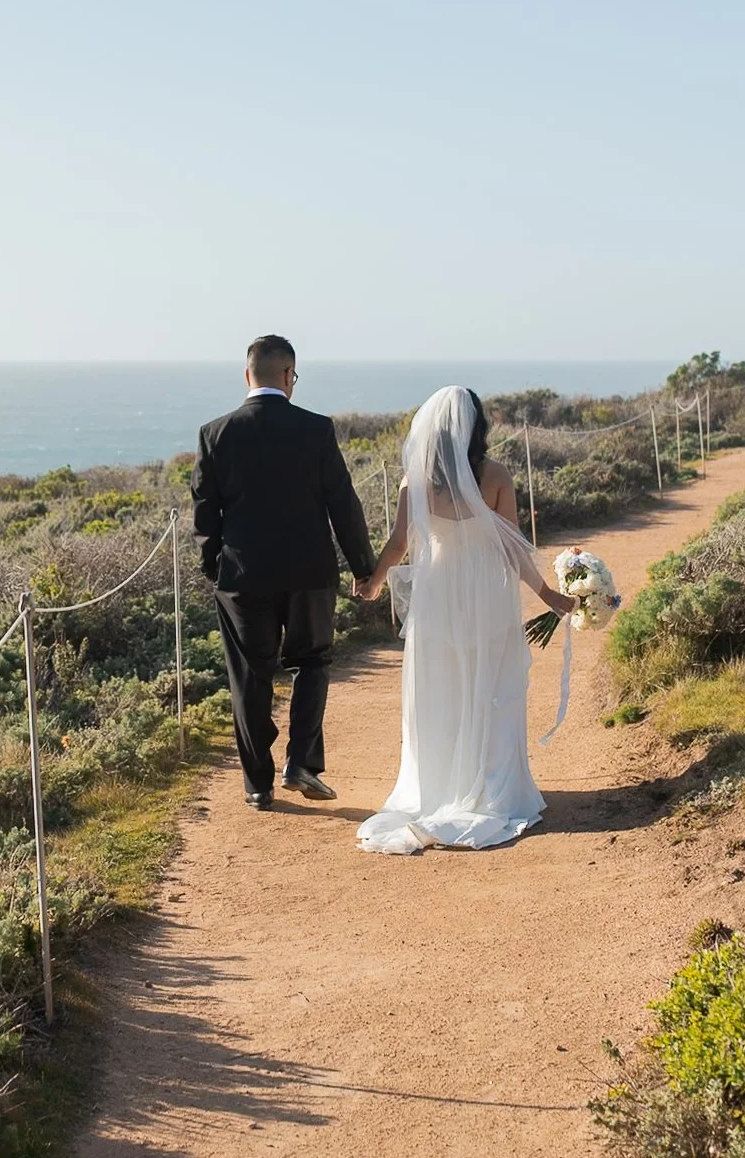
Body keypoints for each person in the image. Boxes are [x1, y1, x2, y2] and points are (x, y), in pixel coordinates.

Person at [351, 387, 577, 853]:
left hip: (436, 597)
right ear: (477, 428)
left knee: (441, 689)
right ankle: (490, 788)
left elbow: (398, 546)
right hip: (484, 596)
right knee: (489, 685)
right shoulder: (494, 475)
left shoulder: (413, 481)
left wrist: (374, 582)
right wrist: (549, 593)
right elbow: (514, 549)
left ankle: (439, 788)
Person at [191, 335, 377, 810]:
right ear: (290, 376)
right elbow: (343, 502)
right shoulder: (316, 430)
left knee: (249, 676)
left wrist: (214, 569)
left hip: (242, 576)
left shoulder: (215, 434)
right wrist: (363, 566)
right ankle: (302, 764)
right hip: (308, 571)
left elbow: (204, 515)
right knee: (311, 661)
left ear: (247, 375)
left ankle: (258, 784)